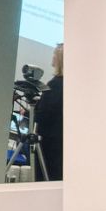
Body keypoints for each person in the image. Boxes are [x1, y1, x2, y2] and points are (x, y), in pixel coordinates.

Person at [32, 42, 63, 181]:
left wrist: (33, 110)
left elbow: (42, 115)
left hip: (49, 146)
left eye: (54, 55)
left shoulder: (54, 85)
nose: (52, 58)